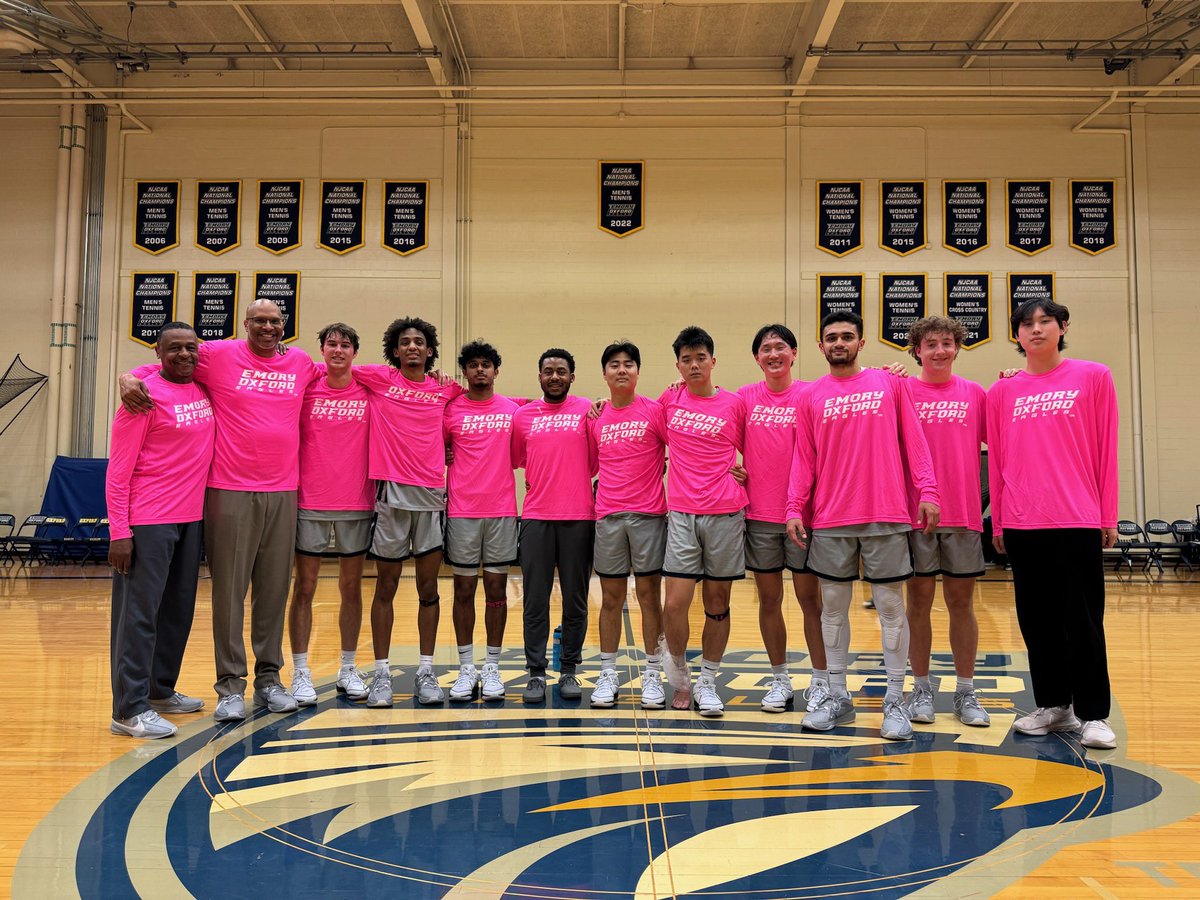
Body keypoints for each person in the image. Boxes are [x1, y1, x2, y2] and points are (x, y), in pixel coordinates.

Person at [121, 299, 320, 721]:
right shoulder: (219, 354)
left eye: (275, 321)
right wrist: (128, 376)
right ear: (245, 324)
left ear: (284, 325)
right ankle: (230, 686)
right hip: (228, 490)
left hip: (284, 490)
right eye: (259, 321)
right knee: (229, 595)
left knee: (273, 592)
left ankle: (269, 680)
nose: (267, 327)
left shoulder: (301, 362)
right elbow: (169, 360)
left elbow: (338, 374)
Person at [786, 311, 940, 742]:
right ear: (821, 346)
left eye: (847, 336)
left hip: (885, 513)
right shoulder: (810, 395)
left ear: (861, 341)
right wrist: (794, 505)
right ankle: (838, 697)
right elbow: (804, 457)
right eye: (832, 337)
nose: (839, 343)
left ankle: (895, 701)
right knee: (833, 609)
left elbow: (915, 441)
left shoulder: (890, 383)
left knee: (891, 608)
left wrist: (928, 489)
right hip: (831, 517)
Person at [987, 298, 1119, 750]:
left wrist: (1106, 513)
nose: (1036, 329)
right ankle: (1055, 706)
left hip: (1076, 517)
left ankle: (1094, 714)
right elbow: (998, 460)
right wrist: (999, 522)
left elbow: (1106, 446)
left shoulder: (1094, 376)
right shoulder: (1002, 392)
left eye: (1045, 321)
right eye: (1027, 324)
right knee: (1037, 621)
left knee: (1083, 620)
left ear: (1063, 327)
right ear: (1017, 335)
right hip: (1023, 523)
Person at [107, 323, 215, 738]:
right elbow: (118, 472)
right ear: (158, 352)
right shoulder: (141, 398)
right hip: (149, 520)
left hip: (191, 518)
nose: (184, 354)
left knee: (176, 611)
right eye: (174, 348)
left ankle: (159, 690)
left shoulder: (202, 388)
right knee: (139, 616)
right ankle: (128, 709)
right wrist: (120, 532)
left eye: (191, 347)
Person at [349, 318, 463, 708]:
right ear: (395, 351)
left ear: (430, 351)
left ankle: (426, 671)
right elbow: (328, 366)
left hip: (431, 497)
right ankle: (382, 674)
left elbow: (487, 402)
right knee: (386, 587)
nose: (412, 347)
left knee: (428, 590)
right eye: (405, 342)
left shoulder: (446, 387)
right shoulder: (379, 378)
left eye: (419, 342)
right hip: (391, 496)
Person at [901, 316, 990, 728]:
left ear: (957, 347)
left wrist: (1013, 379)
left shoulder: (975, 393)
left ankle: (966, 691)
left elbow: (1002, 435)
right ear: (917, 350)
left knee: (961, 604)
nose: (939, 351)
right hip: (916, 515)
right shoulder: (902, 390)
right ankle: (921, 688)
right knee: (918, 604)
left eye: (947, 343)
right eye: (931, 344)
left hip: (963, 513)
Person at [737, 324, 826, 714]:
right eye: (765, 348)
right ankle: (780, 680)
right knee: (769, 600)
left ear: (794, 353)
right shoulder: (743, 398)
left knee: (810, 600)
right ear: (757, 358)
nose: (773, 354)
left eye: (780, 347)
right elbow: (711, 425)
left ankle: (821, 681)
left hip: (804, 516)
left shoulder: (811, 393)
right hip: (760, 516)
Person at [659, 326, 748, 717]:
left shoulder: (735, 404)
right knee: (674, 604)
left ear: (713, 361)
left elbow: (759, 450)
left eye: (700, 358)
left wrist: (748, 473)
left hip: (726, 513)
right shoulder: (669, 400)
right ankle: (681, 679)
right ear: (678, 366)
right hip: (682, 514)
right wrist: (599, 405)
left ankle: (708, 681)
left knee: (717, 603)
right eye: (686, 359)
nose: (694, 365)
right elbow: (634, 417)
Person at [287, 323, 372, 706]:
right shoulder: (306, 385)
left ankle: (348, 667)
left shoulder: (368, 389)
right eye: (332, 344)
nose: (338, 350)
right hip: (310, 500)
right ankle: (300, 671)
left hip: (356, 501)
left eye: (345, 345)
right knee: (304, 587)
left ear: (355, 352)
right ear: (321, 349)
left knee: (351, 588)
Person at [512, 348, 597, 704]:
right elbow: (518, 458)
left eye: (561, 371)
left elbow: (596, 461)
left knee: (576, 600)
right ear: (540, 376)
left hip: (579, 517)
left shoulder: (587, 410)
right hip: (536, 517)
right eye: (548, 371)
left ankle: (569, 670)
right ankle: (535, 672)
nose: (555, 377)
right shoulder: (523, 417)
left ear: (572, 376)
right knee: (535, 600)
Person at [587, 341, 669, 710]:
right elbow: (589, 464)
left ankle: (652, 673)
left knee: (650, 597)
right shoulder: (596, 417)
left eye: (629, 364)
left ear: (637, 371)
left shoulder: (655, 411)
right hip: (608, 516)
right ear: (604, 373)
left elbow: (684, 448)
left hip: (648, 516)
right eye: (614, 364)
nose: (622, 370)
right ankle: (608, 673)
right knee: (610, 599)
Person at [443, 340, 521, 702]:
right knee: (463, 591)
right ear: (465, 371)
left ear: (496, 371)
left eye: (485, 365)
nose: (479, 370)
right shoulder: (450, 410)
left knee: (495, 592)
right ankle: (465, 667)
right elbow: (435, 446)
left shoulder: (512, 410)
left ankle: (491, 666)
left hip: (501, 511)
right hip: (462, 511)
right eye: (473, 365)